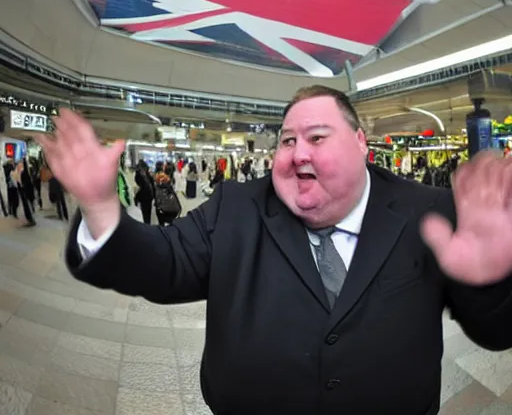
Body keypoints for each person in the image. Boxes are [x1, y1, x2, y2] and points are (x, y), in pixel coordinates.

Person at [36, 85, 512, 415]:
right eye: (287, 140)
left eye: (317, 137)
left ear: (360, 143)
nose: (297, 152)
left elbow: (495, 332)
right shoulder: (236, 208)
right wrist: (100, 208)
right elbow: (166, 263)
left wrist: (490, 279)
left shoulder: (428, 211)